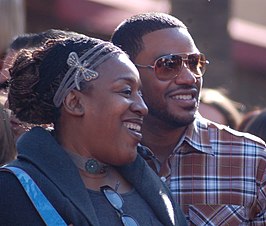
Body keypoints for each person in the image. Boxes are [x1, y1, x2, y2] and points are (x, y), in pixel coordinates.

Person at [0, 31, 187, 225]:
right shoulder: (14, 191)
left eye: (140, 94)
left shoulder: (152, 187)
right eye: (126, 91)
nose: (142, 107)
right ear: (75, 102)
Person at [111, 12, 266, 225]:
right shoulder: (97, 156)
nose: (189, 77)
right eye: (168, 64)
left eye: (195, 62)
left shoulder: (252, 158)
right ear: (128, 74)